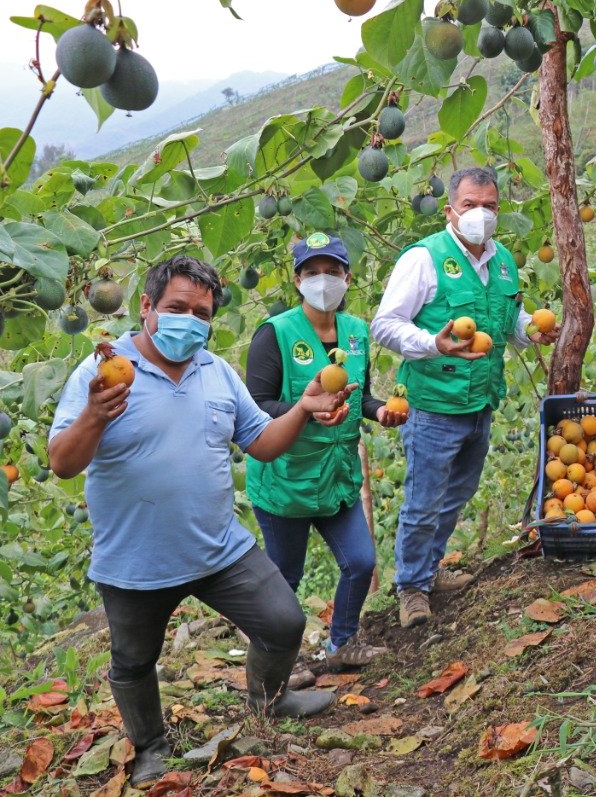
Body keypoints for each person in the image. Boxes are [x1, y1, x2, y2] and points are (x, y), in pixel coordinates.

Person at [47, 256, 353, 787]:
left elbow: (262, 445)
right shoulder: (102, 371)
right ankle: (150, 746)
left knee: (283, 622)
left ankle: (268, 700)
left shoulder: (215, 371)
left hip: (218, 549)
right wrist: (95, 416)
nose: (191, 319)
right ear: (147, 307)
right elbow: (62, 462)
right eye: (177, 308)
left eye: (202, 312)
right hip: (135, 562)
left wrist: (302, 410)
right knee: (134, 661)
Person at [371, 166, 559, 629]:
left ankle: (429, 571)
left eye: (490, 206)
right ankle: (411, 587)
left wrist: (533, 331)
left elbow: (508, 322)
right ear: (451, 209)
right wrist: (433, 343)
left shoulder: (504, 262)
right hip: (434, 404)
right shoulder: (424, 259)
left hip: (481, 401)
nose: (481, 214)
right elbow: (385, 325)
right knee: (423, 499)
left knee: (458, 493)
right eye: (471, 205)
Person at [245, 234, 407, 672]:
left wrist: (381, 411)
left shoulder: (356, 332)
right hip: (286, 478)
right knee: (284, 581)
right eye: (312, 272)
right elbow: (256, 406)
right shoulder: (274, 334)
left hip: (337, 476)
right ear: (297, 280)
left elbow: (361, 397)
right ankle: (278, 663)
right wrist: (305, 411)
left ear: (347, 277)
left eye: (332, 271)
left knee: (360, 562)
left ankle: (343, 644)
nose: (323, 280)